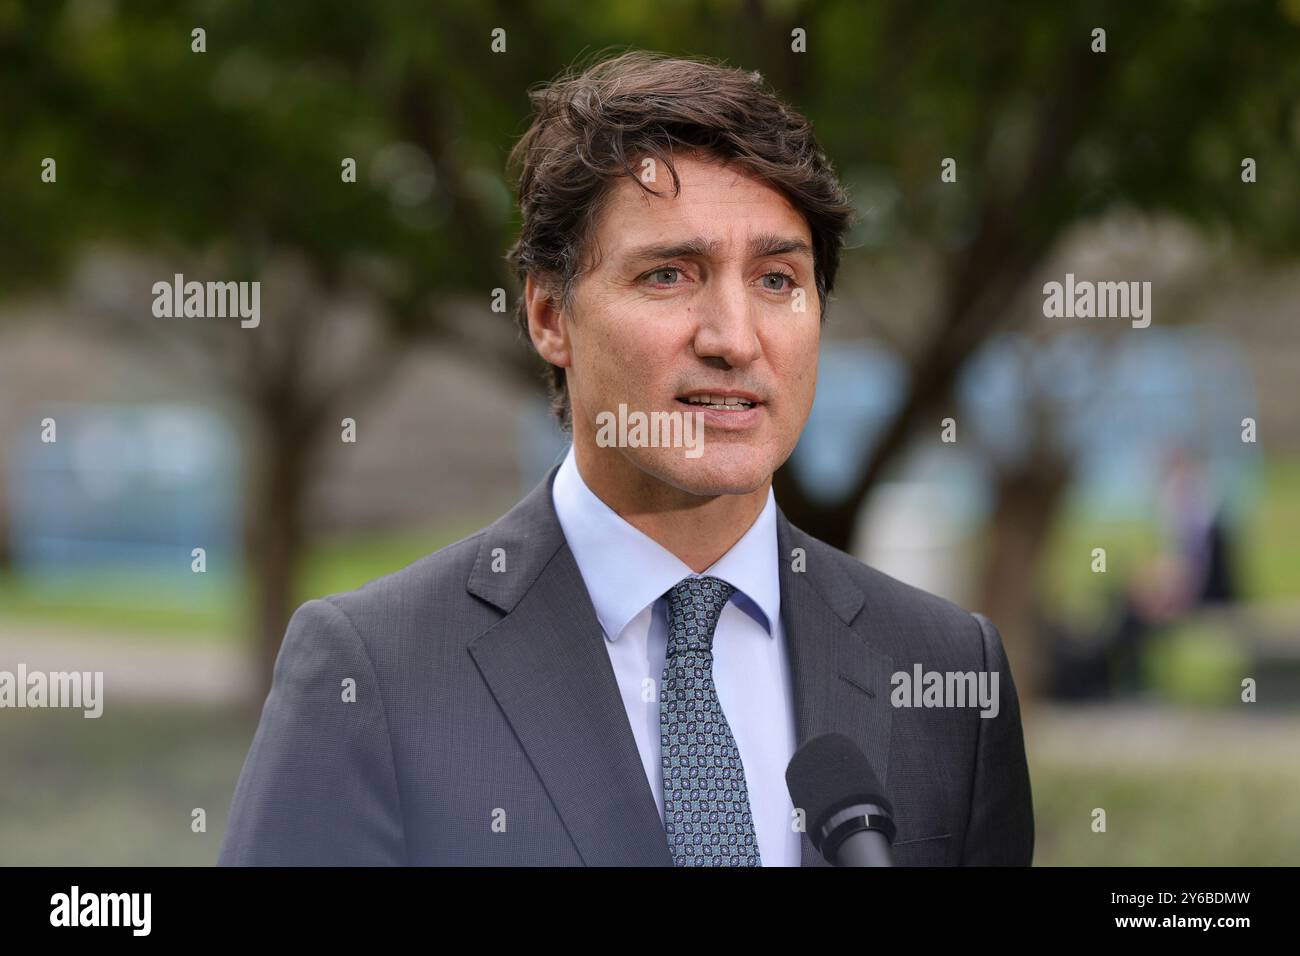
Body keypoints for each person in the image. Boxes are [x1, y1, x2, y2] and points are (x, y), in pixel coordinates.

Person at [219, 50, 1033, 867]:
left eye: (778, 279)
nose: (733, 339)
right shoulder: (378, 675)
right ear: (548, 315)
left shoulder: (945, 672)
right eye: (670, 275)